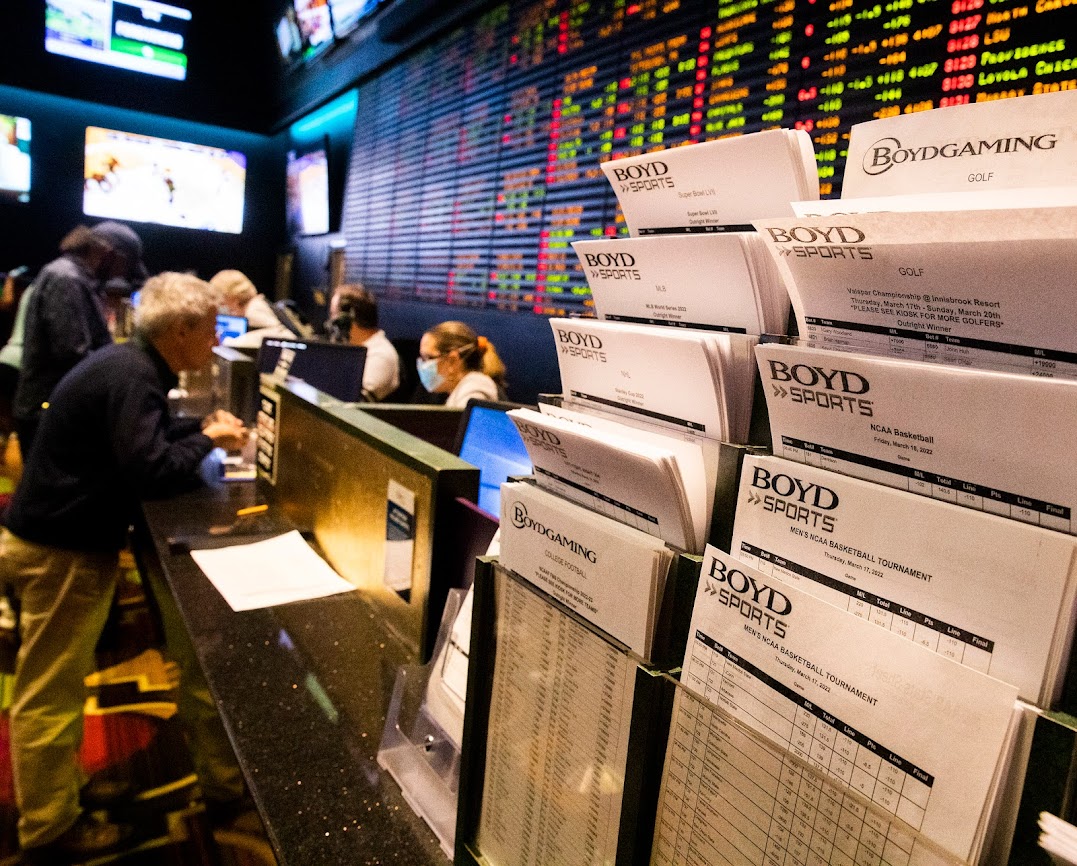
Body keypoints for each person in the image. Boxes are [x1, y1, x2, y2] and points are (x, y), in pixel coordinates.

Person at [0, 271, 248, 862]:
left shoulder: (128, 365)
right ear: (183, 330)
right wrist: (211, 441)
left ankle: (63, 794)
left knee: (57, 681)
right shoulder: (135, 374)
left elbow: (145, 438)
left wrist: (199, 430)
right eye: (210, 329)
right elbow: (152, 466)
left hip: (53, 537)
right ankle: (50, 830)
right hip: (61, 549)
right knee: (50, 692)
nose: (214, 342)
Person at [13, 221, 148, 458]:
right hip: (47, 413)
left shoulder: (74, 276)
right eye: (126, 267)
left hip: (51, 410)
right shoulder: (67, 278)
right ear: (111, 254)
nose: (123, 276)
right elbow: (73, 353)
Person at [327, 283, 400, 401]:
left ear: (347, 318)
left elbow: (352, 403)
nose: (331, 322)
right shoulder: (351, 348)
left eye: (333, 315)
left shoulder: (380, 356)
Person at [417, 321, 506, 408]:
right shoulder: (455, 391)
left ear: (453, 361)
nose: (422, 365)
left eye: (428, 358)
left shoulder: (475, 389)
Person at [209, 269, 291, 349]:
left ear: (232, 297)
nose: (221, 305)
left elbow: (279, 335)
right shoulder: (257, 303)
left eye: (222, 300)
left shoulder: (254, 309)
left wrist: (229, 343)